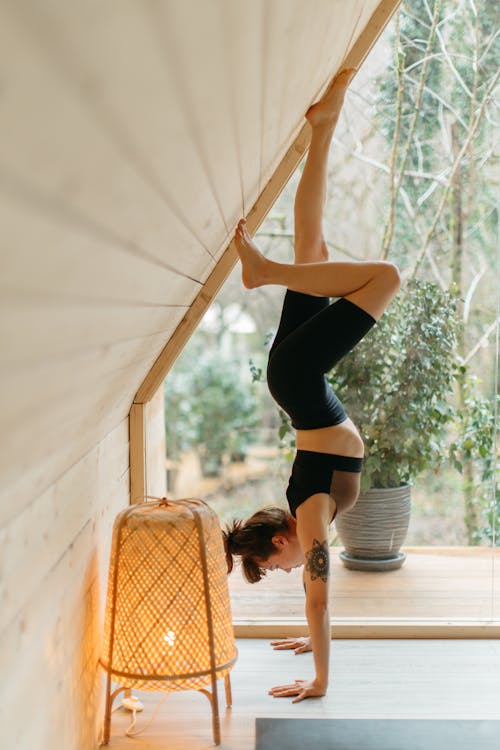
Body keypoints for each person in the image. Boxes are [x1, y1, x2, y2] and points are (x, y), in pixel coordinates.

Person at [222, 68, 401, 703]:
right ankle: (321, 130)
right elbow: (314, 599)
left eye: (275, 567)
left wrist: (321, 680)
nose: (289, 572)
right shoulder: (306, 514)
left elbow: (321, 598)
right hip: (297, 381)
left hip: (298, 379)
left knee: (385, 278)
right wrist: (308, 638)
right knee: (314, 246)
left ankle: (265, 270)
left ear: (279, 541)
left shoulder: (311, 515)